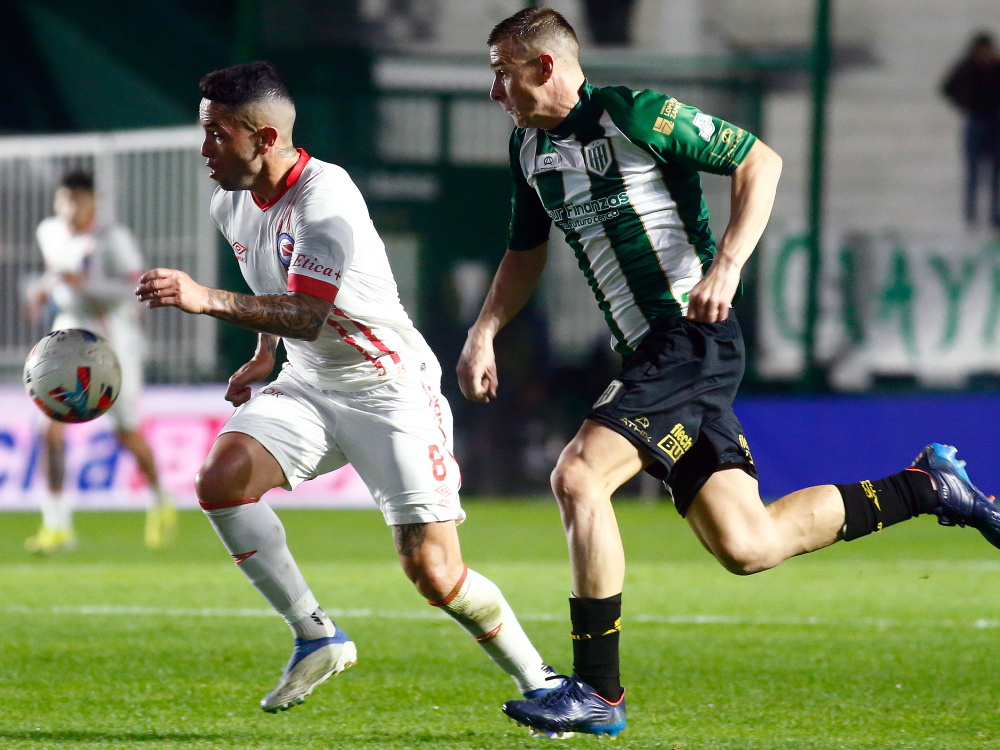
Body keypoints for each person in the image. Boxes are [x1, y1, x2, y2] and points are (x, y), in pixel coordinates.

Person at [458, 7, 1000, 738]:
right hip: (655, 355)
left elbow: (759, 160)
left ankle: (597, 691)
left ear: (545, 66)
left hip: (687, 339)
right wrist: (486, 330)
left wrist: (728, 265)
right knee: (748, 544)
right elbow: (525, 254)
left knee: (578, 476)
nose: (494, 90)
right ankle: (931, 487)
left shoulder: (632, 113)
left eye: (501, 72)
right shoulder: (529, 151)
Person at [135, 61, 558, 718]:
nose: (204, 150)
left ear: (266, 138)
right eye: (204, 132)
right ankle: (316, 635)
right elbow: (275, 291)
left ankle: (542, 682)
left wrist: (203, 298)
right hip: (308, 383)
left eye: (218, 134)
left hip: (389, 390)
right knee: (220, 481)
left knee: (436, 575)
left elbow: (307, 312)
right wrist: (261, 355)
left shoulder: (326, 201)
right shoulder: (230, 201)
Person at [24, 171, 176, 553]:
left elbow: (135, 286)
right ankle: (56, 524)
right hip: (63, 341)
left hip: (111, 344)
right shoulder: (50, 231)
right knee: (49, 429)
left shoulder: (113, 238)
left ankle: (160, 500)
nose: (69, 208)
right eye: (64, 200)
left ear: (91, 201)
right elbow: (58, 268)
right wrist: (43, 290)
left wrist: (85, 285)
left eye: (77, 200)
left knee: (125, 431)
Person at [942, 31, 1000, 229]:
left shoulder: (996, 67)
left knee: (995, 174)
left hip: (994, 121)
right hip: (976, 120)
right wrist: (965, 104)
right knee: (973, 173)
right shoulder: (967, 66)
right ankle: (971, 216)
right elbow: (947, 87)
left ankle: (994, 216)